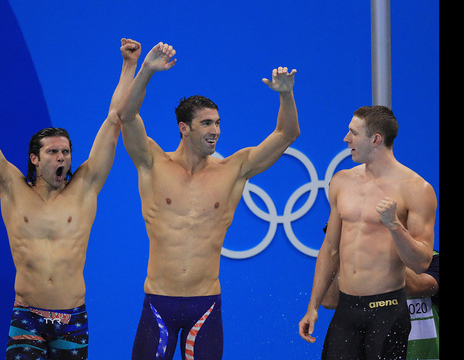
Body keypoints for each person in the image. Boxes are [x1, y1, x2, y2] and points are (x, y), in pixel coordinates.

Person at [0, 38, 140, 359]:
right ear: (35, 159)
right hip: (27, 317)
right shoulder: (12, 188)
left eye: (66, 152)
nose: (61, 157)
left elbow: (115, 120)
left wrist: (129, 65)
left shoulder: (85, 187)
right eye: (53, 152)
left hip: (73, 318)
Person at [117, 42, 299, 360]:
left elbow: (287, 134)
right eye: (207, 123)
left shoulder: (234, 169)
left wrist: (285, 94)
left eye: (217, 123)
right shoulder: (152, 162)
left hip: (206, 303)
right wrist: (144, 70)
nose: (216, 130)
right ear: (184, 129)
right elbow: (127, 117)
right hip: (159, 301)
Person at [298, 105, 437, 360]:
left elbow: (421, 262)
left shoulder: (417, 189)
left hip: (387, 312)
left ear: (375, 139)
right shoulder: (341, 181)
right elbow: (330, 249)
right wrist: (313, 306)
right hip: (346, 311)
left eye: (353, 133)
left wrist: (394, 226)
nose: (345, 139)